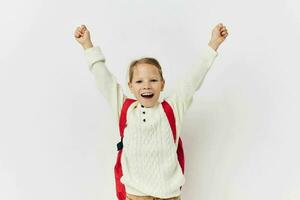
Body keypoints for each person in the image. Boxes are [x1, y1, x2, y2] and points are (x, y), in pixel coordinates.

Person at [74, 23, 228, 200]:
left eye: (153, 80)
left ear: (162, 84)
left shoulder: (172, 108)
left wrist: (213, 44)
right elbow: (104, 79)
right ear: (130, 86)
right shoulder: (125, 108)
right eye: (139, 81)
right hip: (135, 195)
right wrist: (87, 46)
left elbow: (192, 78)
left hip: (169, 196)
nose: (146, 85)